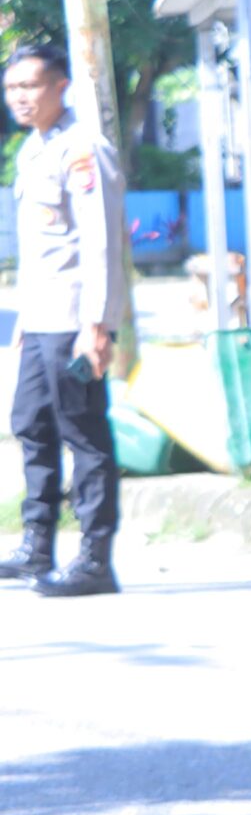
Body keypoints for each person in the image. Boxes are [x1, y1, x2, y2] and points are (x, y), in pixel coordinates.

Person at [3, 42, 126, 598]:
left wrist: (97, 325)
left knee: (84, 432)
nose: (20, 97)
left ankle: (95, 559)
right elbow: (41, 251)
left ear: (61, 87)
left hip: (76, 321)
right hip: (41, 320)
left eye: (31, 85)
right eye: (12, 87)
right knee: (31, 423)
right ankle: (37, 545)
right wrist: (24, 318)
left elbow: (101, 242)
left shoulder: (82, 150)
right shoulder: (34, 151)